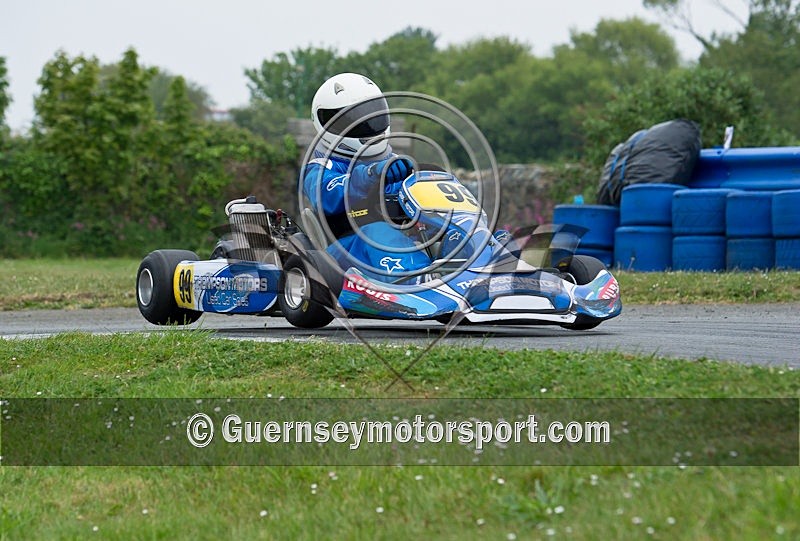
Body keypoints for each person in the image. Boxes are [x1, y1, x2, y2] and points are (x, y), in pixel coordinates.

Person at [302, 73, 432, 282]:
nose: (367, 126)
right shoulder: (319, 167)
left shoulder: (395, 163)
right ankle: (417, 280)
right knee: (378, 231)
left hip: (403, 241)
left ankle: (485, 263)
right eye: (353, 120)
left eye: (372, 117)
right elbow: (329, 196)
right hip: (346, 249)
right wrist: (373, 173)